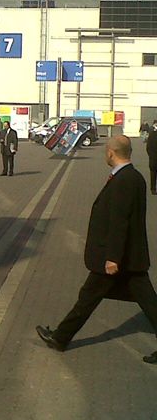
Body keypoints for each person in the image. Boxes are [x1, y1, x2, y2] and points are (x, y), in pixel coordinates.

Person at [36, 136, 157, 365]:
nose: (105, 155)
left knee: (88, 297)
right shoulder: (134, 177)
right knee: (147, 302)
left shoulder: (124, 180)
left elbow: (119, 222)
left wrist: (112, 257)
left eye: (106, 152)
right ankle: (61, 337)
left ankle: (60, 338)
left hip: (118, 256)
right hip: (130, 257)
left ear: (111, 152)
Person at [146, 122, 157, 195]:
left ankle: (153, 189)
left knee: (153, 174)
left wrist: (151, 155)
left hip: (153, 158)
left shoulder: (152, 135)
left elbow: (148, 147)